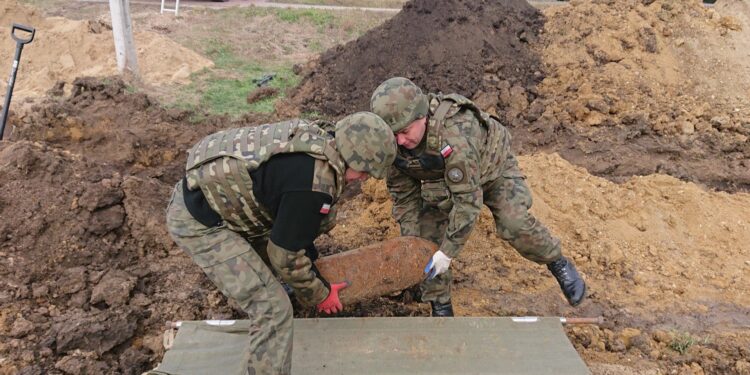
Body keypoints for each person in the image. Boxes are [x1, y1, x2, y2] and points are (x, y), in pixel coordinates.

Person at [165, 112, 396, 374]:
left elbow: (295, 229)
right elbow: (284, 255)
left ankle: (270, 292)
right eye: (364, 171)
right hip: (202, 224)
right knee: (273, 310)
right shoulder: (314, 184)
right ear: (353, 157)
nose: (363, 178)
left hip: (221, 200)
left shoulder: (320, 140)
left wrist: (311, 274)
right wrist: (319, 294)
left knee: (286, 268)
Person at [370, 77, 586, 317]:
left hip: (492, 171)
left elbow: (468, 203)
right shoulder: (392, 144)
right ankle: (440, 306)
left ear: (422, 117)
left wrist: (448, 252)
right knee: (425, 238)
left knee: (513, 223)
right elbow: (404, 197)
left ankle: (557, 262)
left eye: (404, 132)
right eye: (393, 135)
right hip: (442, 180)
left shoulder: (455, 135)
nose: (400, 141)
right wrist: (414, 241)